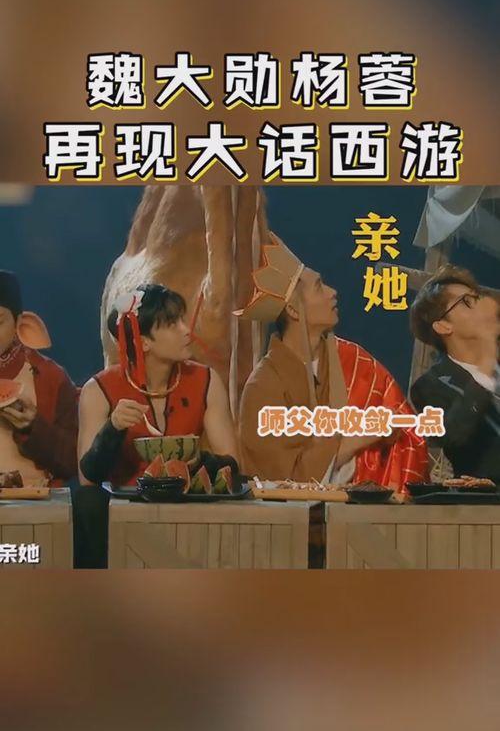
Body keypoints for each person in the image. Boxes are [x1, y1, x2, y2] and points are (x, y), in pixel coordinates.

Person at [237, 234, 428, 491]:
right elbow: (280, 478)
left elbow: (404, 424)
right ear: (293, 310)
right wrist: (356, 440)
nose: (332, 292)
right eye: (319, 287)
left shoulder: (355, 360)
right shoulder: (262, 386)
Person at [74, 283, 238, 568]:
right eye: (173, 324)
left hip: (188, 503)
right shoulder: (98, 389)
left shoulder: (207, 381)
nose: (187, 330)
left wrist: (198, 462)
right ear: (144, 342)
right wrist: (113, 429)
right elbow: (88, 479)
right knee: (87, 501)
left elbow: (232, 464)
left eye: (183, 320)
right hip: (124, 508)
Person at [410, 265, 500, 482]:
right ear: (443, 326)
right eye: (468, 302)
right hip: (487, 499)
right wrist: (485, 368)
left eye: (479, 298)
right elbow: (454, 436)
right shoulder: (428, 387)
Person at [0, 270, 78, 484]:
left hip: (34, 499)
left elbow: (74, 462)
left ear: (19, 323)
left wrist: (33, 428)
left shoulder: (52, 377)